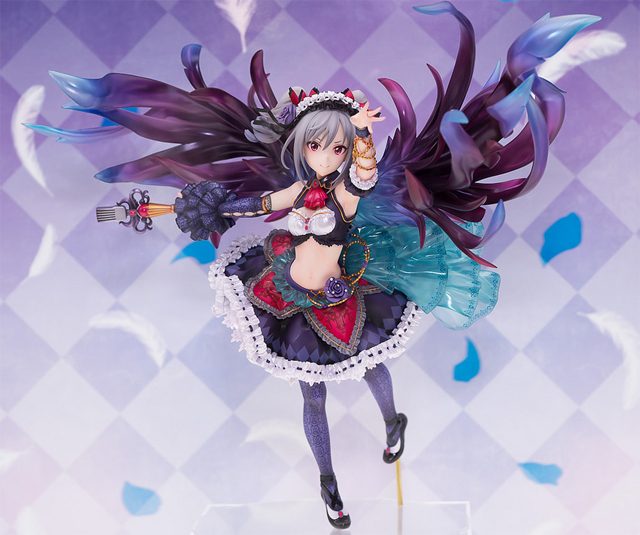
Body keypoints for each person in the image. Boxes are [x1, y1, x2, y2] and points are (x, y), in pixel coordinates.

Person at [26, 3, 599, 529]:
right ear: (301, 146)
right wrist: (190, 206)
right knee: (312, 394)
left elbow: (365, 176)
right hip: (286, 289)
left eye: (336, 147)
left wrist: (364, 135)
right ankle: (328, 483)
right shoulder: (298, 189)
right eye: (316, 146)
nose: (326, 155)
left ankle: (392, 421)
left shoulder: (348, 192)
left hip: (339, 294)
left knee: (372, 366)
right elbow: (257, 205)